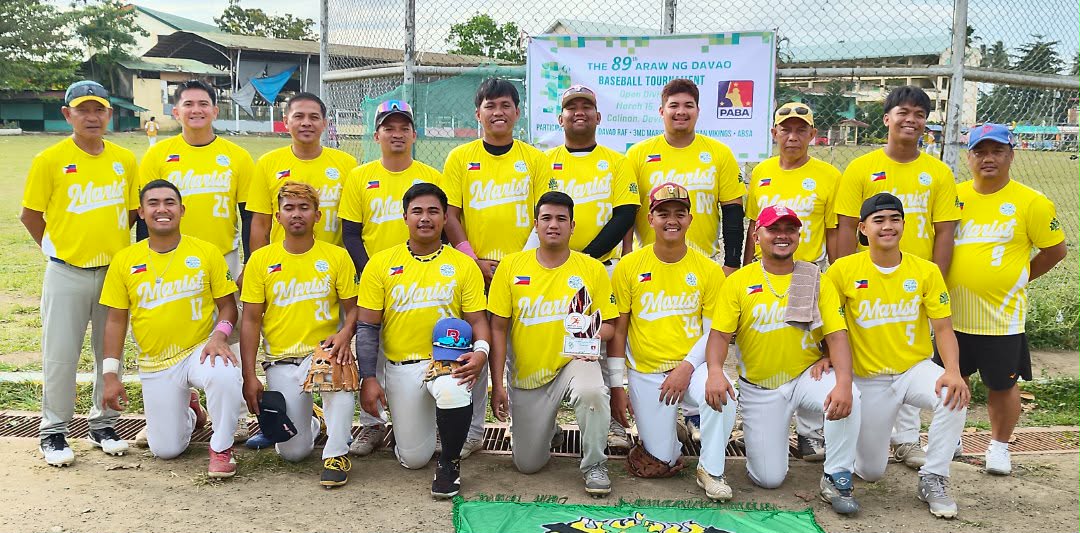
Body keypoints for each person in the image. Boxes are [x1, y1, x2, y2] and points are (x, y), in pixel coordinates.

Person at [834, 86, 961, 469]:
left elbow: (944, 232)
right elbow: (844, 226)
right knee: (872, 352)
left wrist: (933, 280)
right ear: (886, 118)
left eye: (919, 114)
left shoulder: (937, 172)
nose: (911, 120)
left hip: (915, 279)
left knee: (913, 354)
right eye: (903, 112)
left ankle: (907, 440)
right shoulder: (861, 168)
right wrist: (841, 278)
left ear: (926, 122)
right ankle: (861, 431)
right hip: (867, 277)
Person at [707, 205, 861, 514]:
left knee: (850, 396)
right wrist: (714, 370)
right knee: (768, 478)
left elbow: (837, 335)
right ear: (757, 235)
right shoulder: (739, 281)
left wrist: (844, 381)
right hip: (761, 386)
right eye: (774, 229)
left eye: (790, 229)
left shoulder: (815, 277)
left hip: (806, 375)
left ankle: (837, 476)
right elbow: (720, 336)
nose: (782, 236)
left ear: (799, 236)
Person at [827, 193, 969, 518]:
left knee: (952, 393)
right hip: (869, 379)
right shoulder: (842, 271)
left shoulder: (926, 271)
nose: (887, 226)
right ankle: (880, 437)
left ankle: (933, 477)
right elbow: (829, 328)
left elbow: (944, 328)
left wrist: (952, 370)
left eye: (894, 219)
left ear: (904, 224)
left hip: (913, 369)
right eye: (878, 220)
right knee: (872, 471)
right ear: (862, 228)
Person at [20, 80, 138, 466]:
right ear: (67, 114)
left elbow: (134, 213)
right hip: (66, 271)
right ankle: (52, 431)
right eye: (83, 110)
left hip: (113, 273)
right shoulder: (50, 159)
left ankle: (103, 423)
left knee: (109, 352)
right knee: (61, 355)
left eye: (99, 109)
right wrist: (57, 250)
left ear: (109, 113)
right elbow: (31, 215)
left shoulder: (125, 159)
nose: (92, 116)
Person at [99, 179, 245, 478]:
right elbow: (115, 320)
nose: (162, 209)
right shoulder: (125, 260)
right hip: (156, 361)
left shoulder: (206, 252)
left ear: (182, 209)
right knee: (166, 450)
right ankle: (191, 411)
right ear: (141, 212)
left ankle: (221, 448)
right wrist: (110, 375)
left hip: (199, 349)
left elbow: (228, 306)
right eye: (153, 203)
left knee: (226, 374)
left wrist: (220, 335)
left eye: (169, 203)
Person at [354, 182, 490, 499]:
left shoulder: (463, 264)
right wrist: (368, 378)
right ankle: (420, 427)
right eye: (417, 211)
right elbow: (367, 326)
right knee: (413, 459)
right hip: (402, 366)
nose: (425, 218)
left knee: (454, 391)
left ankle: (449, 464)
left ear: (445, 218)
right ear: (405, 217)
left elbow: (478, 321)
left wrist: (481, 353)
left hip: (447, 361)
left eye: (433, 211)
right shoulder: (381, 263)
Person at [945, 124, 1067, 475]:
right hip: (951, 314)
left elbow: (1054, 250)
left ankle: (999, 446)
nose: (988, 158)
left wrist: (1019, 277)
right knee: (954, 378)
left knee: (1002, 384)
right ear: (968, 157)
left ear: (1011, 155)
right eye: (980, 152)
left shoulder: (1032, 201)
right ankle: (951, 439)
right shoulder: (954, 197)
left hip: (1001, 317)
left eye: (997, 151)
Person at [441, 79, 551, 458]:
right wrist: (472, 260)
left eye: (505, 105)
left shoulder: (535, 159)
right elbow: (451, 214)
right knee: (477, 346)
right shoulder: (460, 158)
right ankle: (473, 430)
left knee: (523, 345)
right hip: (475, 269)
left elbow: (544, 215)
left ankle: (528, 426)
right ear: (478, 113)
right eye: (490, 106)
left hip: (525, 268)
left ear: (517, 112)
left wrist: (520, 262)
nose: (498, 112)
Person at [609, 182, 736, 501]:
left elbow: (714, 332)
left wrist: (687, 367)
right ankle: (668, 433)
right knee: (662, 460)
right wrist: (616, 385)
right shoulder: (628, 267)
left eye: (680, 213)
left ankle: (711, 469)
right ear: (649, 219)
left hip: (692, 368)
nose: (672, 220)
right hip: (647, 373)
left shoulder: (707, 269)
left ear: (691, 219)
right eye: (663, 213)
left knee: (724, 394)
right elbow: (620, 331)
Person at [488, 191, 617, 495]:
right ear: (535, 225)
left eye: (561, 219)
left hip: (574, 362)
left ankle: (595, 465)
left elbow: (610, 324)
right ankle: (550, 430)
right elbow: (497, 329)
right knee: (527, 465)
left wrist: (592, 336)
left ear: (573, 226)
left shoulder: (591, 269)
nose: (553, 225)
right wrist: (498, 384)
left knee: (592, 391)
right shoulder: (511, 267)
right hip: (529, 375)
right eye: (546, 218)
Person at [337, 99, 442, 457]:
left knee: (418, 348)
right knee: (372, 351)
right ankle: (372, 425)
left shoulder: (430, 176)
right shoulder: (360, 176)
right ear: (376, 134)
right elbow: (350, 232)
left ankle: (425, 420)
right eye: (388, 127)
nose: (396, 134)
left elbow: (440, 230)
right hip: (374, 274)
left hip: (423, 277)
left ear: (414, 134)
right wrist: (371, 274)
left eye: (403, 127)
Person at [239, 181, 359, 487]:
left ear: (318, 215)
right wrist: (249, 375)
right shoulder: (261, 260)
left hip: (322, 351)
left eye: (304, 208)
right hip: (280, 359)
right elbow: (251, 320)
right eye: (289, 208)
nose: (296, 214)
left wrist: (346, 332)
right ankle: (314, 419)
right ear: (277, 217)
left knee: (338, 372)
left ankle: (336, 453)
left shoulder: (336, 256)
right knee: (293, 452)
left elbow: (355, 308)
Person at [542, 84, 639, 449]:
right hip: (551, 267)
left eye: (587, 107)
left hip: (603, 266)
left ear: (598, 117)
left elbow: (625, 214)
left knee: (599, 343)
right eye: (571, 107)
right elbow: (540, 214)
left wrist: (583, 258)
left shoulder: (617, 161)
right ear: (561, 117)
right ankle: (546, 420)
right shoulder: (544, 160)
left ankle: (611, 423)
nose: (579, 112)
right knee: (551, 339)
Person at [745, 102, 843, 461]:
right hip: (763, 270)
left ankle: (809, 433)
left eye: (801, 129)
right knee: (764, 342)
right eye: (785, 129)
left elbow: (833, 230)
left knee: (809, 350)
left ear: (812, 135)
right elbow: (753, 227)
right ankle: (762, 411)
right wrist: (744, 269)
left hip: (806, 271)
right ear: (774, 134)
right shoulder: (762, 173)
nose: (792, 136)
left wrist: (834, 274)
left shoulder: (828, 175)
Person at [626, 78, 745, 275]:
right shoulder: (638, 154)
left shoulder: (720, 153)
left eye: (688, 105)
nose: (681, 111)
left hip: (703, 262)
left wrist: (731, 263)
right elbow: (628, 211)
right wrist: (627, 254)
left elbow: (733, 213)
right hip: (648, 264)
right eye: (674, 105)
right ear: (662, 111)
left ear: (698, 111)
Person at [138, 79, 255, 279]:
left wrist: (249, 263)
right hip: (170, 256)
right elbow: (145, 218)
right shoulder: (156, 155)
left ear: (215, 111)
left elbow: (249, 215)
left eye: (203, 104)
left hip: (224, 255)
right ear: (176, 112)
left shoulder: (238, 156)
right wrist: (145, 258)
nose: (196, 110)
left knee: (227, 310)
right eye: (188, 104)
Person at [247, 92, 359, 252]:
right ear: (286, 121)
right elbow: (261, 223)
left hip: (333, 264)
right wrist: (257, 265)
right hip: (284, 262)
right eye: (299, 116)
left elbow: (353, 224)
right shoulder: (267, 163)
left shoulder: (347, 164)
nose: (306, 123)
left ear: (324, 123)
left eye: (314, 117)